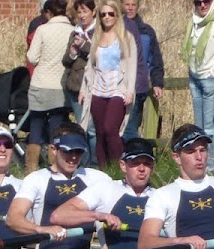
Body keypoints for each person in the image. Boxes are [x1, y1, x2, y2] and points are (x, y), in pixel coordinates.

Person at [48, 137, 168, 249]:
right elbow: (58, 215)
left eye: (147, 164)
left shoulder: (161, 195)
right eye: (135, 163)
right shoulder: (106, 189)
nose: (141, 169)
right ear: (123, 165)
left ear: (152, 167)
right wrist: (99, 216)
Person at [5, 122, 112, 249]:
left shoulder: (98, 178)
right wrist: (41, 230)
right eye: (68, 151)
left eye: (78, 151)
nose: (73, 157)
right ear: (53, 149)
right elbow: (13, 219)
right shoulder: (36, 179)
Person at [79, 0, 135, 167]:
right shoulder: (96, 37)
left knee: (111, 128)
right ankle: (104, 170)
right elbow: (90, 67)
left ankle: (118, 167)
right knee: (100, 132)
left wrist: (130, 91)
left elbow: (132, 66)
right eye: (103, 14)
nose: (107, 17)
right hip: (97, 89)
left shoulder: (126, 38)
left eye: (111, 14)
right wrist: (83, 89)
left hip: (117, 88)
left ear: (117, 15)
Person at [24, 0, 74, 174]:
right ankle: (55, 168)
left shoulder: (42, 30)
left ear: (48, 12)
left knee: (36, 124)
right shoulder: (73, 30)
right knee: (56, 127)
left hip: (41, 83)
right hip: (60, 86)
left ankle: (31, 168)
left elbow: (32, 57)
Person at [182, 0, 214, 175]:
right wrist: (192, 69)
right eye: (198, 2)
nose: (202, 5)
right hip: (195, 77)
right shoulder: (194, 20)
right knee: (199, 128)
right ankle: (200, 166)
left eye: (206, 1)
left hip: (211, 78)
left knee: (211, 127)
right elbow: (192, 47)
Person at [119, 0, 164, 142]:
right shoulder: (115, 28)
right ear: (121, 5)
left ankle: (136, 152)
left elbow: (155, 59)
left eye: (133, 5)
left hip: (138, 87)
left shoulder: (146, 31)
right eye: (127, 4)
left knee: (130, 127)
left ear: (138, 7)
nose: (130, 8)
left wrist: (157, 83)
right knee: (119, 129)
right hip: (117, 86)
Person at [62, 0, 96, 166]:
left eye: (85, 11)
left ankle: (95, 163)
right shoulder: (75, 32)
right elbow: (66, 61)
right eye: (79, 12)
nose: (82, 16)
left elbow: (99, 56)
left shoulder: (99, 32)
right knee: (82, 127)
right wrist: (72, 53)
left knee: (92, 129)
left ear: (93, 12)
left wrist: (84, 45)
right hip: (75, 86)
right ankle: (84, 163)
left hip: (94, 86)